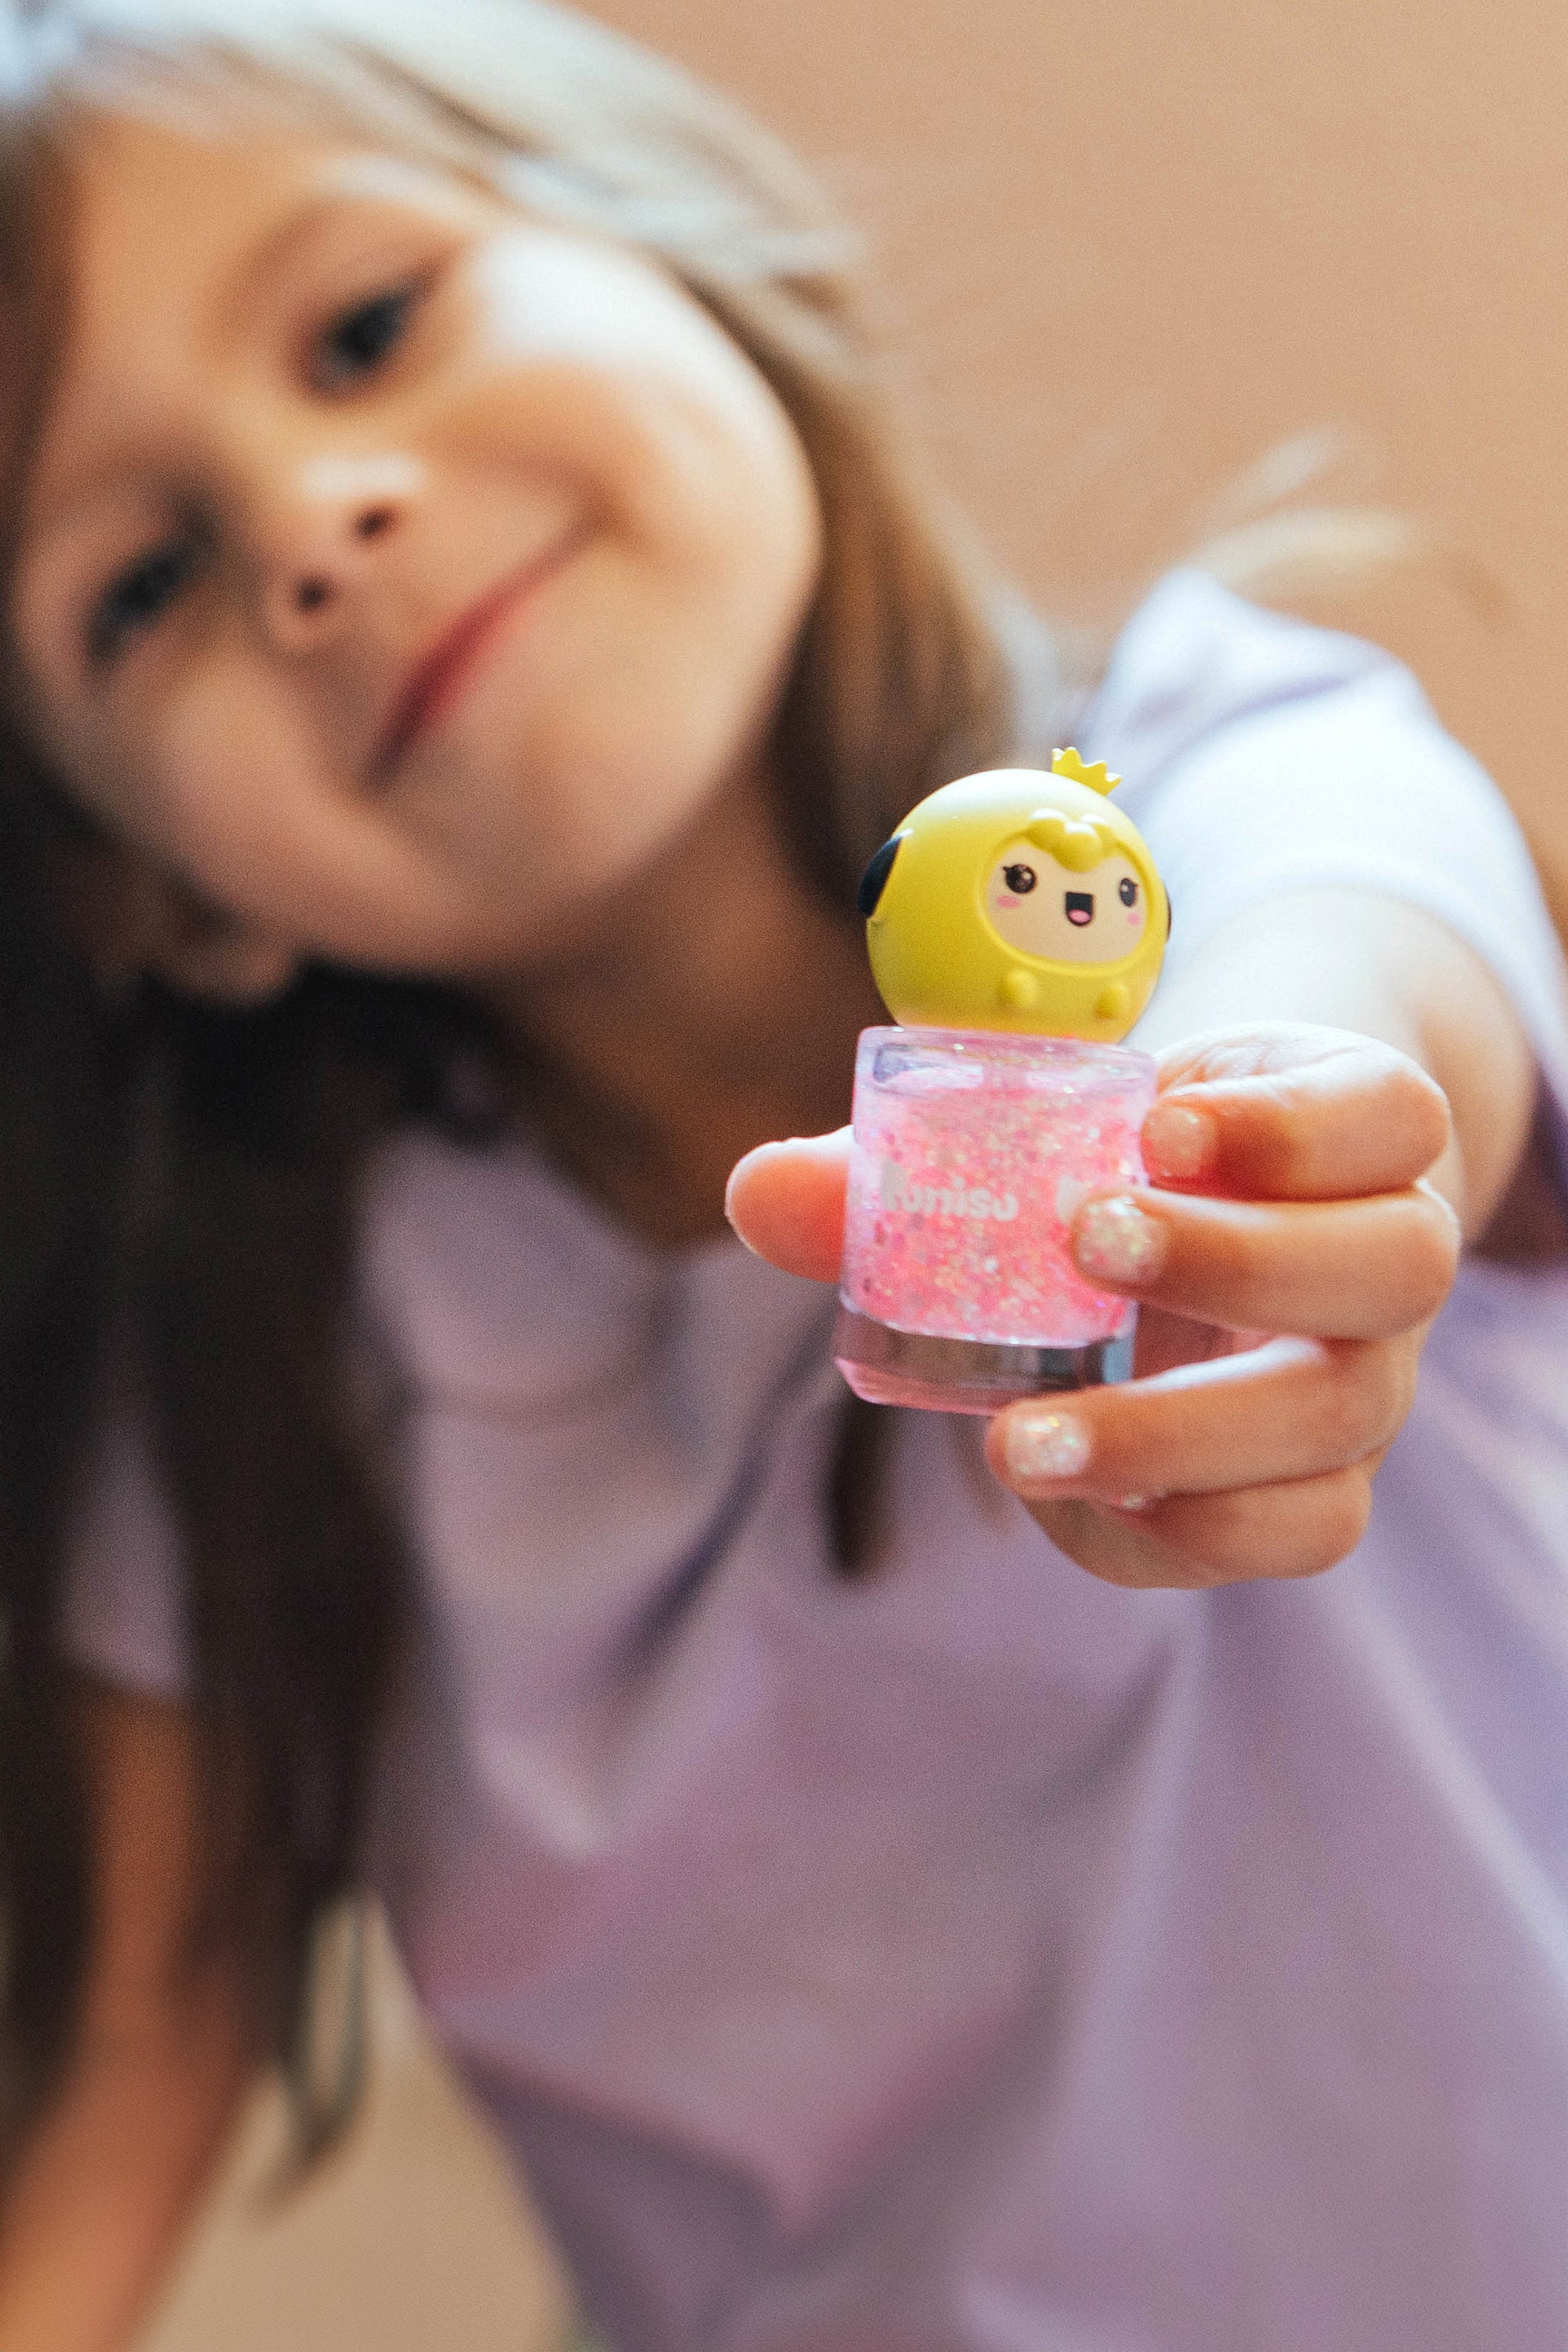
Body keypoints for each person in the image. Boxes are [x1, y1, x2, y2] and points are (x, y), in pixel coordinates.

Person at [0, 2, 1563, 2347]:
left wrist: (1275, 1179)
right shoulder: (272, 1380)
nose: (314, 529)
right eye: (138, 585)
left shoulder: (1224, 765)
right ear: (163, 904)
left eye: (364, 325)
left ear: (698, 266)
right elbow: (131, 2054)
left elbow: (1342, 977)